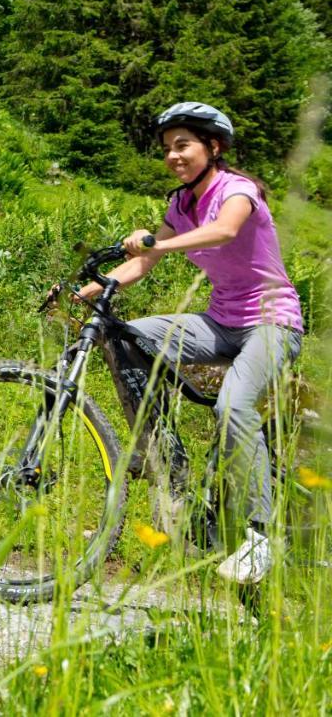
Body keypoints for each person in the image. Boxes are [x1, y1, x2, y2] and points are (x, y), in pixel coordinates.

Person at [74, 101, 304, 584]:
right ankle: (164, 454)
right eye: (167, 149)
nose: (174, 156)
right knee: (128, 335)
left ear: (212, 147)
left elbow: (223, 232)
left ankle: (260, 538)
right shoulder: (180, 204)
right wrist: (90, 289)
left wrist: (156, 242)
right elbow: (140, 265)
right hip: (220, 321)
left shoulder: (237, 190)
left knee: (232, 406)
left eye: (184, 146)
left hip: (272, 322)